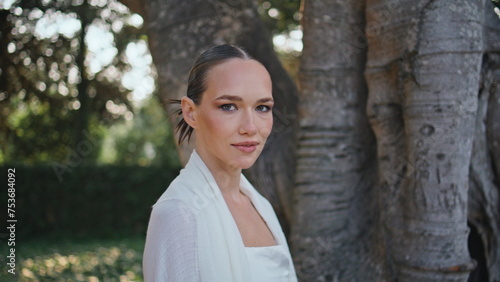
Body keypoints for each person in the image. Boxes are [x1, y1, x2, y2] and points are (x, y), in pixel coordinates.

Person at [142, 44, 297, 281]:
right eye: (228, 106)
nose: (250, 127)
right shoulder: (178, 214)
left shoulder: (262, 207)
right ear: (191, 112)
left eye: (262, 108)